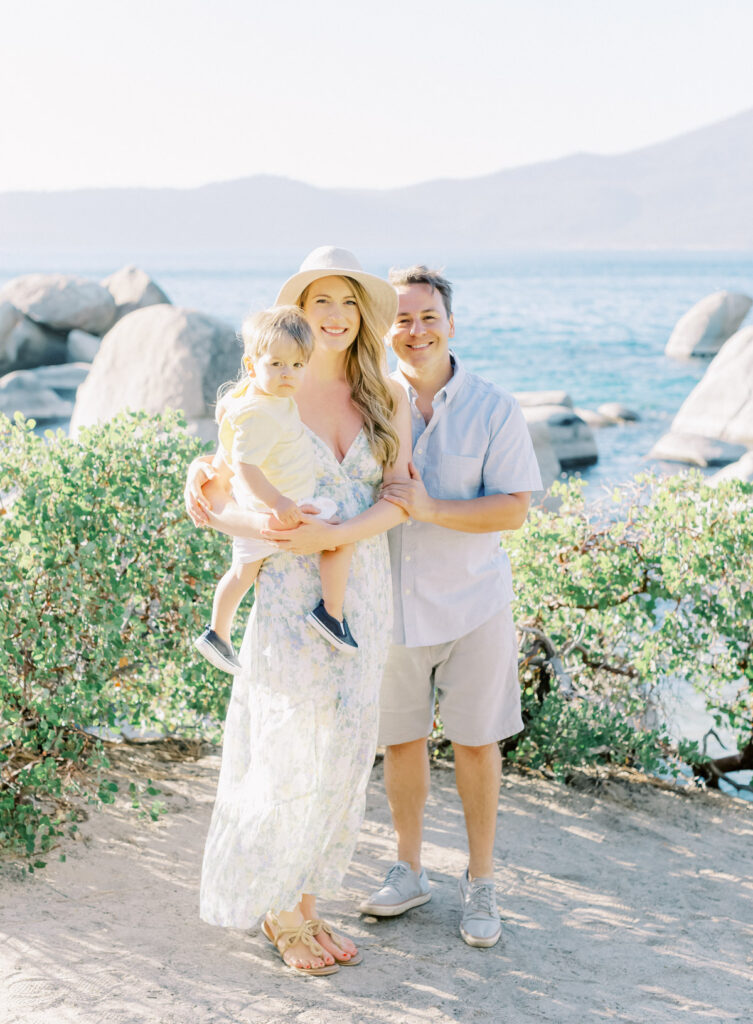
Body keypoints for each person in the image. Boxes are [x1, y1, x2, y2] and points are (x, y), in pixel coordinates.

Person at [185, 247, 412, 976]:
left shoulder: (386, 393)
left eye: (349, 304)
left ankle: (308, 903)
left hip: (358, 597)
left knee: (344, 750)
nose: (337, 317)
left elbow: (402, 496)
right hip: (286, 596)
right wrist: (220, 505)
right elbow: (220, 506)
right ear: (298, 316)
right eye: (322, 303)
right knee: (284, 746)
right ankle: (278, 911)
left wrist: (336, 536)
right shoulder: (265, 398)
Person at [354, 265, 542, 948]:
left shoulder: (494, 408)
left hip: (474, 606)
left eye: (427, 316)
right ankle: (407, 870)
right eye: (401, 318)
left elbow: (514, 509)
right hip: (392, 608)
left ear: (451, 324)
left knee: (474, 742)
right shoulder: (367, 403)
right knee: (399, 740)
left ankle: (481, 883)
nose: (415, 329)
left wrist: (432, 507)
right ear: (385, 330)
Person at [194, 305, 358, 676]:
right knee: (339, 536)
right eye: (278, 365)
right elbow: (245, 466)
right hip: (277, 509)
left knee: (243, 572)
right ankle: (330, 613)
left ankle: (216, 633)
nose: (289, 374)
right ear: (253, 367)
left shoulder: (270, 401)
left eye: (298, 366)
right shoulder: (260, 412)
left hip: (276, 506)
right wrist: (279, 502)